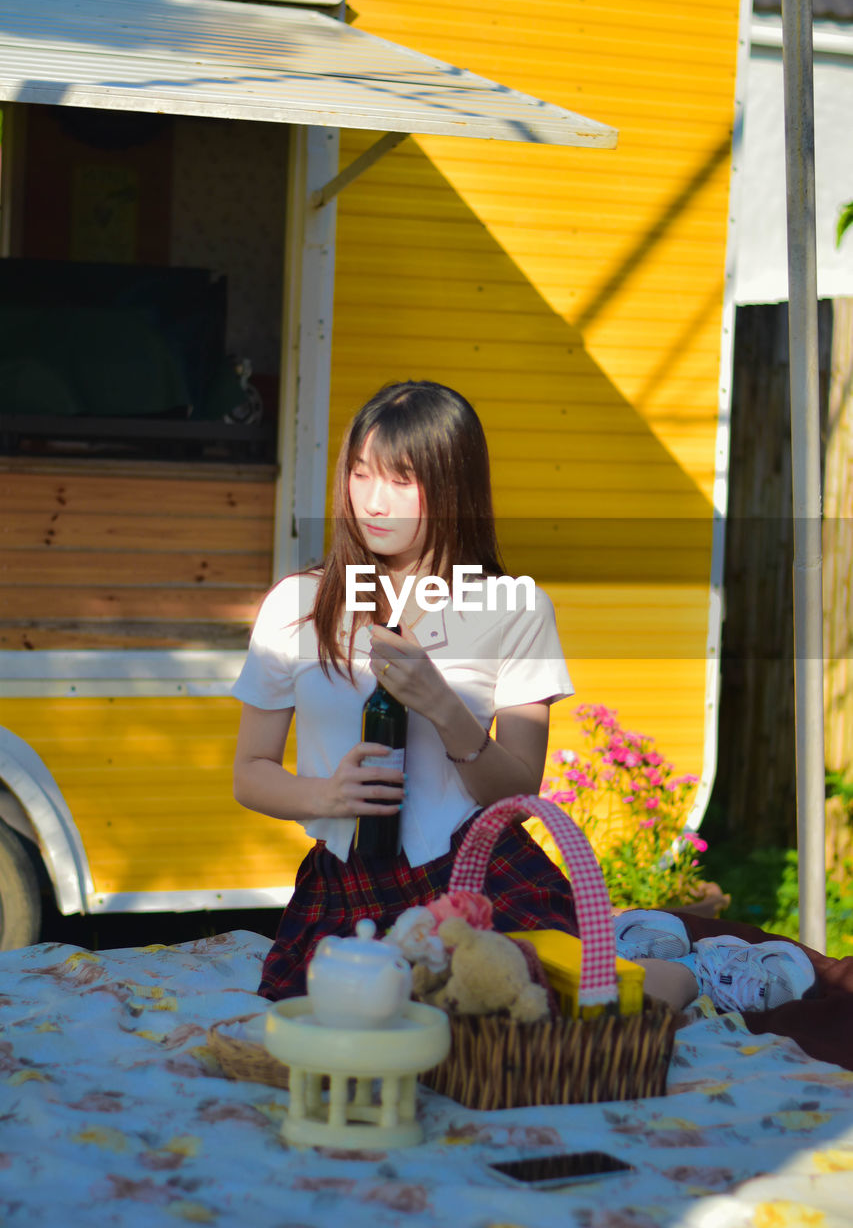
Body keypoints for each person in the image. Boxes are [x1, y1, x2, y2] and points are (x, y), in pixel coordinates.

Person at [232, 378, 816, 1016]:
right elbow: (251, 773)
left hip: (473, 871)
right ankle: (623, 936)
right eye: (361, 474)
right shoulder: (298, 605)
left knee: (530, 1012)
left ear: (454, 487)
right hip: (346, 883)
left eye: (402, 481)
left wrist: (445, 708)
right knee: (346, 1021)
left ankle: (693, 970)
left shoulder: (515, 608)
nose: (374, 502)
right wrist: (326, 795)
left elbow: (515, 794)